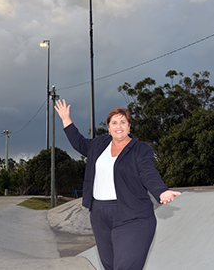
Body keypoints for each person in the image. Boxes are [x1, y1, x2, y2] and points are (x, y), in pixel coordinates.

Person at [55, 99, 181, 270]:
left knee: (125, 266)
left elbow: (148, 173)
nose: (118, 126)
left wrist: (161, 191)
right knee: (110, 266)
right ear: (108, 127)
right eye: (114, 122)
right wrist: (65, 119)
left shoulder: (141, 149)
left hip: (133, 215)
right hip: (99, 215)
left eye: (123, 122)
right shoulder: (99, 144)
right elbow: (79, 142)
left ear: (129, 126)